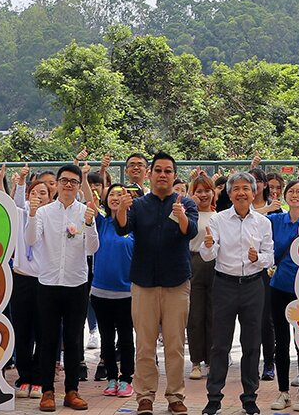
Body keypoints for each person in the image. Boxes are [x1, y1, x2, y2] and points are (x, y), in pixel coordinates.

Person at [114, 153, 200, 415]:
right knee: (145, 344)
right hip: (143, 283)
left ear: (175, 176)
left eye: (168, 171)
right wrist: (120, 208)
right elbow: (122, 228)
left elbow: (191, 232)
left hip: (177, 282)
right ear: (150, 174)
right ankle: (145, 396)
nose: (163, 175)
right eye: (158, 170)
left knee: (175, 344)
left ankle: (175, 395)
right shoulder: (138, 205)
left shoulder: (185, 203)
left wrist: (181, 215)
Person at [197, 173, 273, 415]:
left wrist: (257, 258)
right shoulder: (218, 220)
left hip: (253, 286)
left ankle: (250, 398)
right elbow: (208, 255)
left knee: (252, 344)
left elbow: (269, 257)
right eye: (236, 189)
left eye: (245, 188)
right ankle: (214, 399)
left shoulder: (263, 222)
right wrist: (208, 245)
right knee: (220, 344)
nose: (241, 193)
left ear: (253, 193)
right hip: (225, 286)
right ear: (229, 194)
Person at [27, 164, 100, 412]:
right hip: (47, 283)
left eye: (73, 181)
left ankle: (72, 391)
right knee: (47, 340)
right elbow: (31, 240)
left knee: (73, 339)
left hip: (76, 284)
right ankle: (47, 391)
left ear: (79, 186)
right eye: (64, 180)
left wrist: (90, 224)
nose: (68, 185)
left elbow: (92, 249)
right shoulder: (45, 212)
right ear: (56, 184)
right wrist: (32, 215)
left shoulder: (85, 212)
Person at [266, 181, 299, 412]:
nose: (295, 195)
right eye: (291, 191)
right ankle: (283, 392)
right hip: (279, 287)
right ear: (284, 196)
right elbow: (251, 217)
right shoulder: (275, 220)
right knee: (280, 342)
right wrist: (268, 208)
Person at [11, 173, 54, 399]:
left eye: (43, 193)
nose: (38, 196)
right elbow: (15, 202)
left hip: (45, 280)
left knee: (44, 330)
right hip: (21, 279)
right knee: (22, 331)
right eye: (33, 193)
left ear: (50, 197)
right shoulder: (20, 214)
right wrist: (19, 183)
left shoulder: (52, 217)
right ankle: (24, 376)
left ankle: (39, 378)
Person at [94, 184, 136, 399]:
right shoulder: (101, 222)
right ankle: (111, 377)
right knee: (106, 338)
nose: (115, 198)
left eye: (121, 194)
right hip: (100, 293)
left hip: (127, 294)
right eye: (112, 194)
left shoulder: (134, 225)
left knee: (126, 338)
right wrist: (84, 176)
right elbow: (88, 198)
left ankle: (126, 379)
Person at [186, 173, 219, 382]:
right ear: (193, 193)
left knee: (214, 316)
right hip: (193, 264)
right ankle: (196, 361)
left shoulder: (220, 216)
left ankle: (211, 360)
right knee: (195, 316)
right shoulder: (189, 216)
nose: (203, 194)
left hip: (216, 266)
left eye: (207, 190)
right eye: (199, 191)